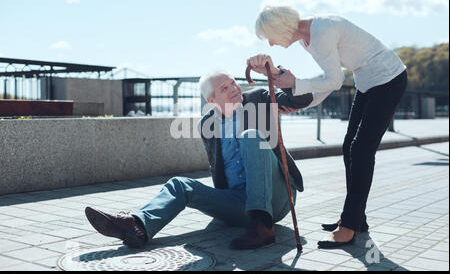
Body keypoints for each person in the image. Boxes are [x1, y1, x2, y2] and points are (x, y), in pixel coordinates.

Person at [85, 70, 316, 250]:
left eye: (233, 82)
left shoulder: (259, 98)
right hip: (239, 204)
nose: (234, 88)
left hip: (277, 197)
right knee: (179, 184)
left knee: (251, 136)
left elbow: (302, 100)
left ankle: (264, 226)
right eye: (224, 88)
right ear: (212, 99)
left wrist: (279, 75)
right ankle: (138, 227)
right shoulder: (208, 125)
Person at [247, 5, 408, 249]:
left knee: (361, 150)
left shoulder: (322, 31)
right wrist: (300, 96)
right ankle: (356, 218)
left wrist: (297, 83)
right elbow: (327, 83)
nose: (270, 44)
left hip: (388, 79)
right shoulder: (307, 38)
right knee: (349, 148)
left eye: (270, 36)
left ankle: (350, 226)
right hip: (368, 82)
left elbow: (334, 81)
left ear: (281, 27)